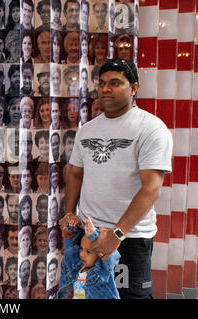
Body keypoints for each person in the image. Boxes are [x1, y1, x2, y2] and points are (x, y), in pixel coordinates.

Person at [63, 59, 173, 299]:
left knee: (130, 296)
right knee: (85, 295)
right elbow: (75, 173)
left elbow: (151, 188)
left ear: (133, 88)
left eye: (115, 83)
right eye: (101, 83)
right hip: (88, 236)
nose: (105, 89)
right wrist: (70, 212)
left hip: (129, 239)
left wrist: (116, 234)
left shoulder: (151, 129)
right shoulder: (88, 130)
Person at [57, 216, 120, 299]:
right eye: (81, 248)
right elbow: (71, 248)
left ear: (100, 254)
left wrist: (94, 235)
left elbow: (111, 254)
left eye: (88, 252)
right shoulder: (76, 266)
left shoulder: (102, 272)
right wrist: (72, 226)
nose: (82, 254)